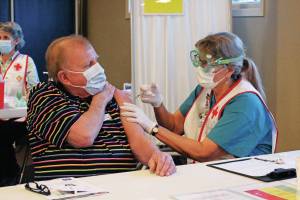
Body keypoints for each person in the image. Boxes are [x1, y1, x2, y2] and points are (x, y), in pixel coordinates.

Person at [26, 35, 176, 181]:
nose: (98, 68)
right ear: (64, 77)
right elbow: (83, 137)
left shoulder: (115, 96)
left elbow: (138, 141)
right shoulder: (45, 95)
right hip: (69, 190)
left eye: (96, 61)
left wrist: (157, 157)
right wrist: (101, 100)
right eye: (88, 65)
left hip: (122, 186)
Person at [121, 32, 277, 163]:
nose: (200, 68)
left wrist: (151, 127)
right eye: (199, 61)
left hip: (241, 182)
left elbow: (204, 152)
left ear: (229, 70)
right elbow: (174, 127)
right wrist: (158, 104)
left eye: (206, 63)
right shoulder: (206, 89)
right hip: (208, 175)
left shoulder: (245, 103)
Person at [0, 21, 39, 186]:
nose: (1, 41)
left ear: (16, 40)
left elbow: (35, 91)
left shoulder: (26, 61)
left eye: (5, 37)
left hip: (18, 116)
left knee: (1, 134)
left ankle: (8, 177)